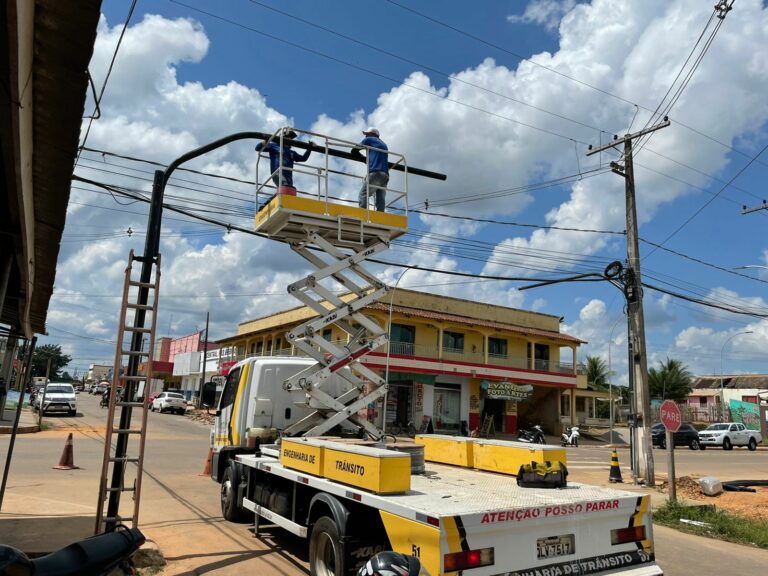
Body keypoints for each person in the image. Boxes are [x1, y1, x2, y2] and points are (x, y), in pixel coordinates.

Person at [355, 127, 389, 212]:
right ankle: (380, 216)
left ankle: (362, 213)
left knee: (363, 194)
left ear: (372, 134)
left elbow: (354, 150)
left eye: (367, 134)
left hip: (375, 172)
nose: (365, 137)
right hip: (385, 174)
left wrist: (364, 159)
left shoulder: (370, 140)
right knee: (380, 198)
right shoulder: (384, 144)